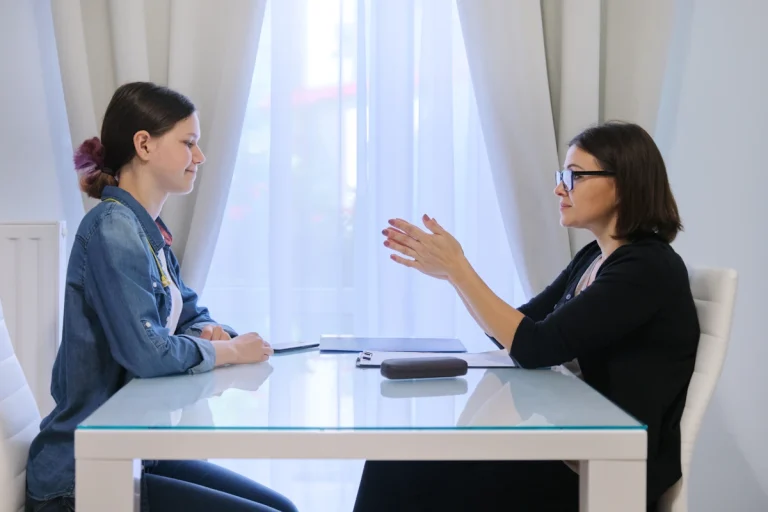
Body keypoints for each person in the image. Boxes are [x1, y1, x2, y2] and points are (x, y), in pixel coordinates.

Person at [357, 121, 700, 511]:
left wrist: (460, 269)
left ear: (624, 183)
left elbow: (535, 348)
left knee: (396, 465)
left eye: (574, 176)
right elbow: (515, 332)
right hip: (569, 446)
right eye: (561, 176)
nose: (559, 188)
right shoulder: (594, 258)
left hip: (605, 469)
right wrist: (454, 276)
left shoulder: (647, 267)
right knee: (395, 458)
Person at [25, 82, 297, 512]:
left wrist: (210, 332)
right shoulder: (113, 230)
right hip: (82, 477)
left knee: (283, 507)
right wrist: (226, 350)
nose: (200, 157)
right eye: (189, 143)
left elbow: (188, 310)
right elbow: (148, 354)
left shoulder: (149, 233)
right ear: (144, 145)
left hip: (137, 454)